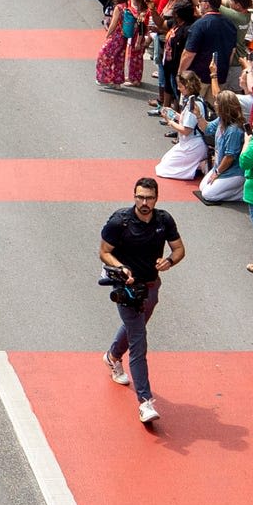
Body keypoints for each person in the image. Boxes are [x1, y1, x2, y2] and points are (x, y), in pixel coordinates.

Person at [100, 176, 185, 428]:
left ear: (156, 198)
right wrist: (121, 267)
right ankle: (145, 402)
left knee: (134, 328)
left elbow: (179, 249)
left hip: (151, 287)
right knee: (139, 341)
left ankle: (113, 356)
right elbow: (104, 251)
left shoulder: (164, 220)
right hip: (126, 290)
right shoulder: (120, 222)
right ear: (134, 196)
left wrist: (169, 261)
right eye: (140, 197)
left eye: (148, 197)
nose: (144, 202)